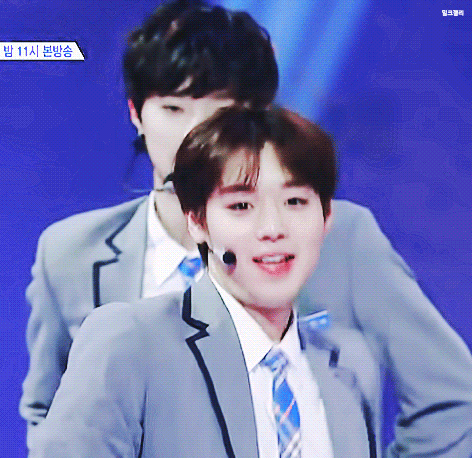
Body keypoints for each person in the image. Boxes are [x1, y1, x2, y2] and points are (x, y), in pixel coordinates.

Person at [21, 1, 472, 456]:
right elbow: (50, 415)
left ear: (258, 116)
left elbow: (450, 398)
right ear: (136, 113)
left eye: (221, 110)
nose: (194, 133)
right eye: (173, 109)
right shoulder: (72, 255)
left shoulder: (340, 240)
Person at [29, 106, 383, 458]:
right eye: (241, 206)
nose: (273, 229)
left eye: (295, 201)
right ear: (197, 221)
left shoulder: (351, 366)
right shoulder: (130, 343)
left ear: (327, 215)